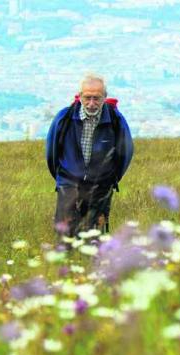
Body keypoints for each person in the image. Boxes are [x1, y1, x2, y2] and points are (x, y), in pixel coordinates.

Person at [45, 74, 134, 239]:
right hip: (69, 184)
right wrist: (62, 177)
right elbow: (52, 152)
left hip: (101, 186)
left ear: (104, 98)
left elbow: (125, 153)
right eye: (87, 98)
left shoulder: (115, 120)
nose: (91, 103)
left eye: (96, 98)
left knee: (95, 237)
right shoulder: (64, 118)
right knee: (65, 236)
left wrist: (110, 178)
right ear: (79, 96)